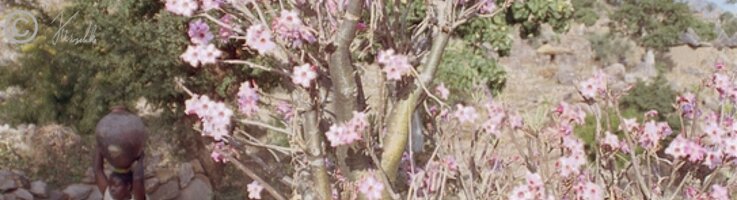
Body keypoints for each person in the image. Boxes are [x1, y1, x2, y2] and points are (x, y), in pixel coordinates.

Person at [94, 106, 147, 200]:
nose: (111, 189)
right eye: (110, 185)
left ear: (128, 186)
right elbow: (98, 171)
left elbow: (138, 179)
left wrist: (140, 158)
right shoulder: (109, 196)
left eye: (116, 185)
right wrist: (100, 145)